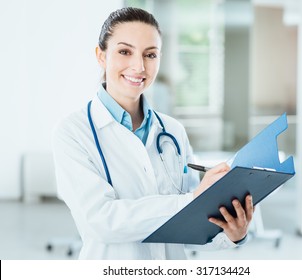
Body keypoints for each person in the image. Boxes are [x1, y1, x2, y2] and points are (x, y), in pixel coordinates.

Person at [52, 7, 254, 260]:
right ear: (101, 56)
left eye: (150, 54)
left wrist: (232, 234)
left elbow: (194, 225)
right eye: (125, 52)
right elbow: (100, 221)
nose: (139, 66)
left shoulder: (173, 132)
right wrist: (189, 201)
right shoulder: (73, 132)